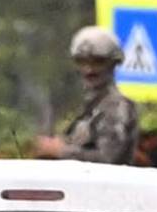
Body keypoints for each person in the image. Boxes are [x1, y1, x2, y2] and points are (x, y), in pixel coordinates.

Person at [32, 26, 140, 165]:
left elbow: (108, 159)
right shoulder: (89, 106)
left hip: (105, 186)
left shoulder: (116, 106)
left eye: (98, 62)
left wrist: (60, 151)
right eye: (82, 61)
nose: (89, 70)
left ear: (113, 64)